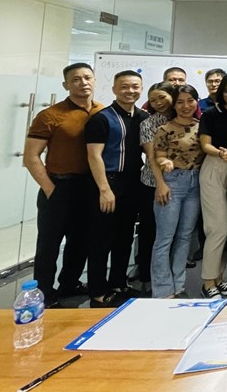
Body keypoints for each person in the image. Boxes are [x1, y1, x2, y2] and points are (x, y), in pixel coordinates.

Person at [23, 63, 104, 308]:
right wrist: (50, 188)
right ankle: (44, 294)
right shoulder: (50, 115)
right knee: (49, 244)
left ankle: (70, 284)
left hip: (89, 186)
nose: (83, 83)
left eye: (87, 77)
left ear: (95, 80)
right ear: (66, 85)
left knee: (81, 240)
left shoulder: (102, 111)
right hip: (59, 185)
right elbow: (31, 156)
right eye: (76, 79)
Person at [85, 70, 149, 308]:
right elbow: (94, 156)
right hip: (108, 182)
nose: (130, 91)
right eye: (124, 86)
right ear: (114, 89)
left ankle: (118, 284)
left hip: (133, 183)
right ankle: (98, 291)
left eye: (135, 87)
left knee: (124, 237)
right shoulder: (102, 118)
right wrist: (104, 189)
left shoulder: (143, 117)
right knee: (101, 239)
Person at [150, 84, 205, 298]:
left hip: (196, 183)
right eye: (180, 102)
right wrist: (164, 170)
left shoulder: (201, 127)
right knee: (165, 238)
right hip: (172, 183)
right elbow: (157, 156)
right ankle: (163, 289)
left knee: (185, 237)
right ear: (174, 104)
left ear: (196, 102)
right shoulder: (164, 129)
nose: (185, 106)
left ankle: (178, 284)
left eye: (190, 101)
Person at [198, 73, 227, 298]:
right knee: (217, 228)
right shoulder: (210, 113)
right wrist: (219, 152)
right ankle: (208, 282)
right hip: (215, 168)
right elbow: (205, 145)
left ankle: (220, 278)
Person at [138, 82, 176, 295]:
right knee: (151, 232)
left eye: (162, 97)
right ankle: (147, 277)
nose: (158, 103)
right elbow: (152, 157)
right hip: (153, 184)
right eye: (153, 100)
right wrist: (160, 184)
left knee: (175, 233)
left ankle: (170, 276)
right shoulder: (148, 123)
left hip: (181, 184)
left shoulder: (185, 118)